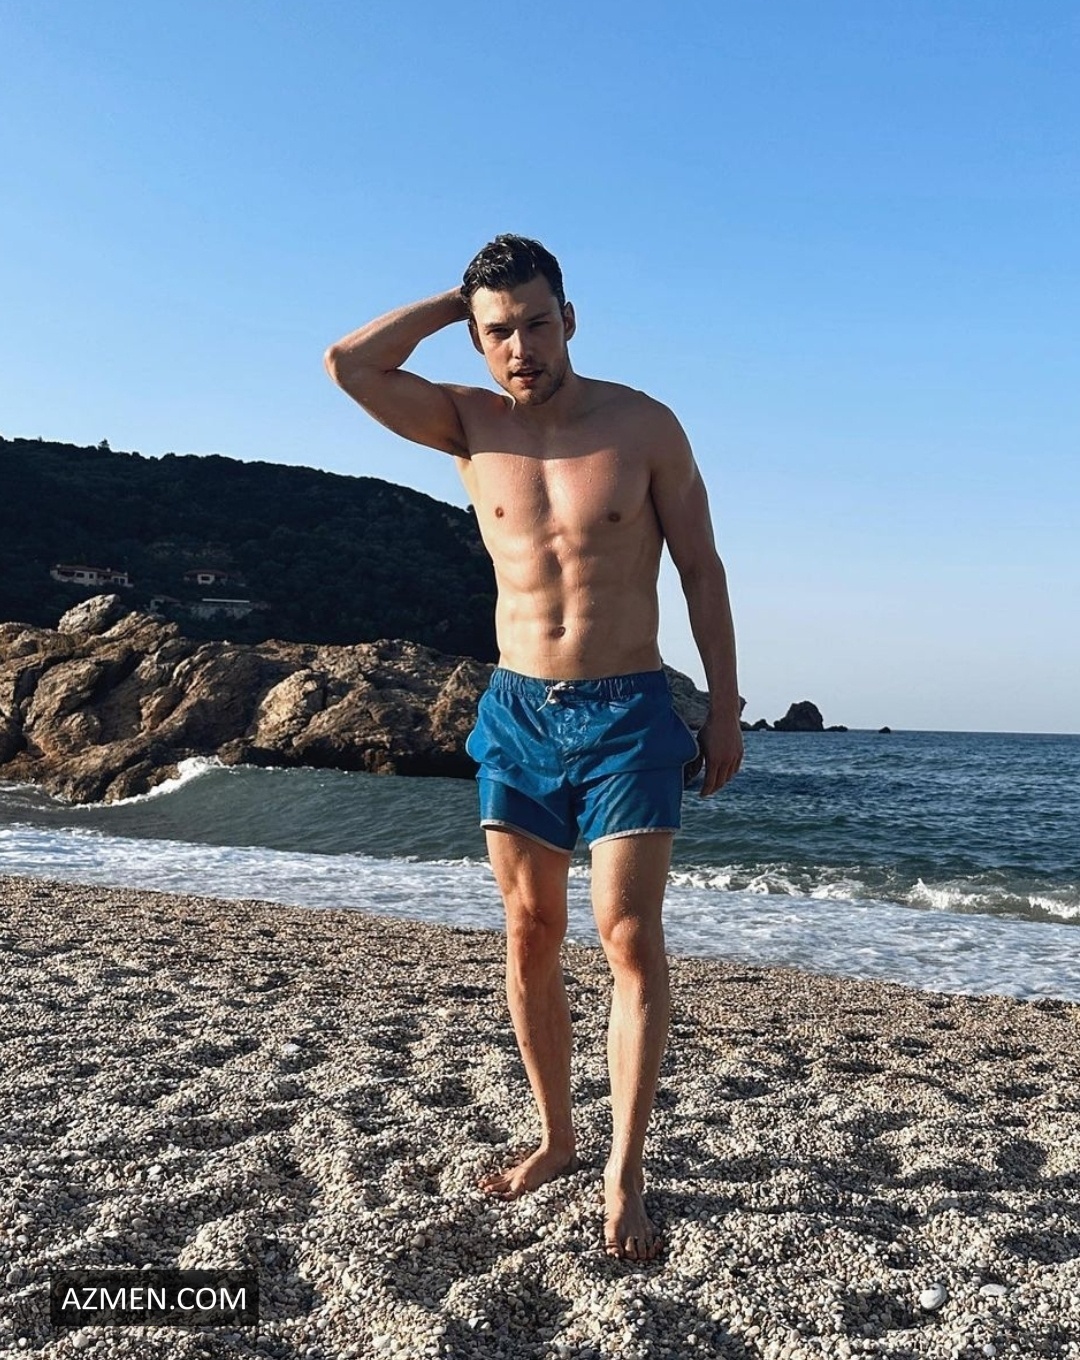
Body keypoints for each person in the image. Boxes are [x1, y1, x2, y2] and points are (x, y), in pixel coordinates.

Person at [325, 234, 743, 1261]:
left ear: (572, 319)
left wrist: (726, 707)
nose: (523, 347)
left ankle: (623, 1169)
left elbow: (700, 567)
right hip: (518, 709)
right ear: (477, 339)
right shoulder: (467, 424)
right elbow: (348, 364)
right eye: (499, 331)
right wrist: (458, 298)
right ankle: (558, 1137)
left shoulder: (643, 425)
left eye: (539, 322)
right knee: (528, 933)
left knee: (629, 937)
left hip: (628, 710)